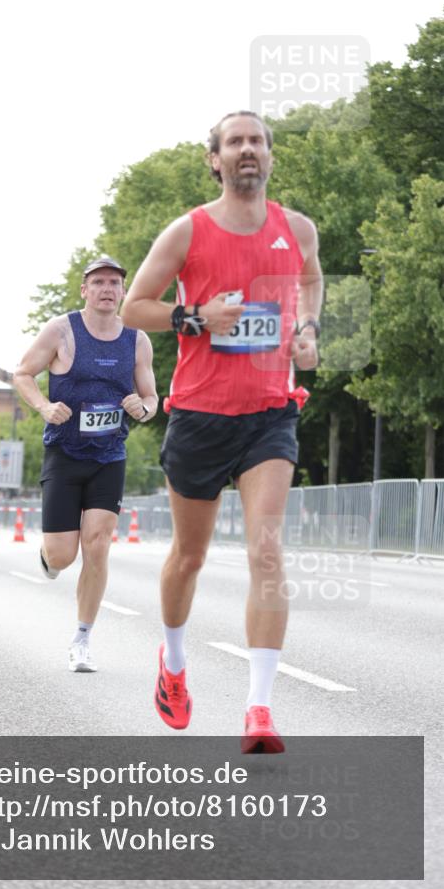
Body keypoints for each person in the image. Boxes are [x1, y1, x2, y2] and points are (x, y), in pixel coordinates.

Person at [122, 111, 322, 752]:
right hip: (200, 415)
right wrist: (196, 317)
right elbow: (133, 307)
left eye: (257, 140)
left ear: (270, 156)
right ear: (215, 159)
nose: (247, 149)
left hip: (270, 413)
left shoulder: (297, 230)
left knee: (267, 550)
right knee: (190, 557)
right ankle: (174, 663)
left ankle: (259, 709)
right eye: (235, 142)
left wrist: (308, 330)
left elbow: (311, 280)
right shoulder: (188, 230)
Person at [14, 257, 158, 673]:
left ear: (123, 291)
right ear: (85, 290)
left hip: (109, 457)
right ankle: (49, 556)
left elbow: (152, 398)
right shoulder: (61, 330)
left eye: (114, 282)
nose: (107, 289)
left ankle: (82, 639)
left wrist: (143, 408)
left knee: (97, 546)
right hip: (64, 453)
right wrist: (43, 406)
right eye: (98, 282)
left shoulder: (137, 341)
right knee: (63, 556)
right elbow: (23, 373)